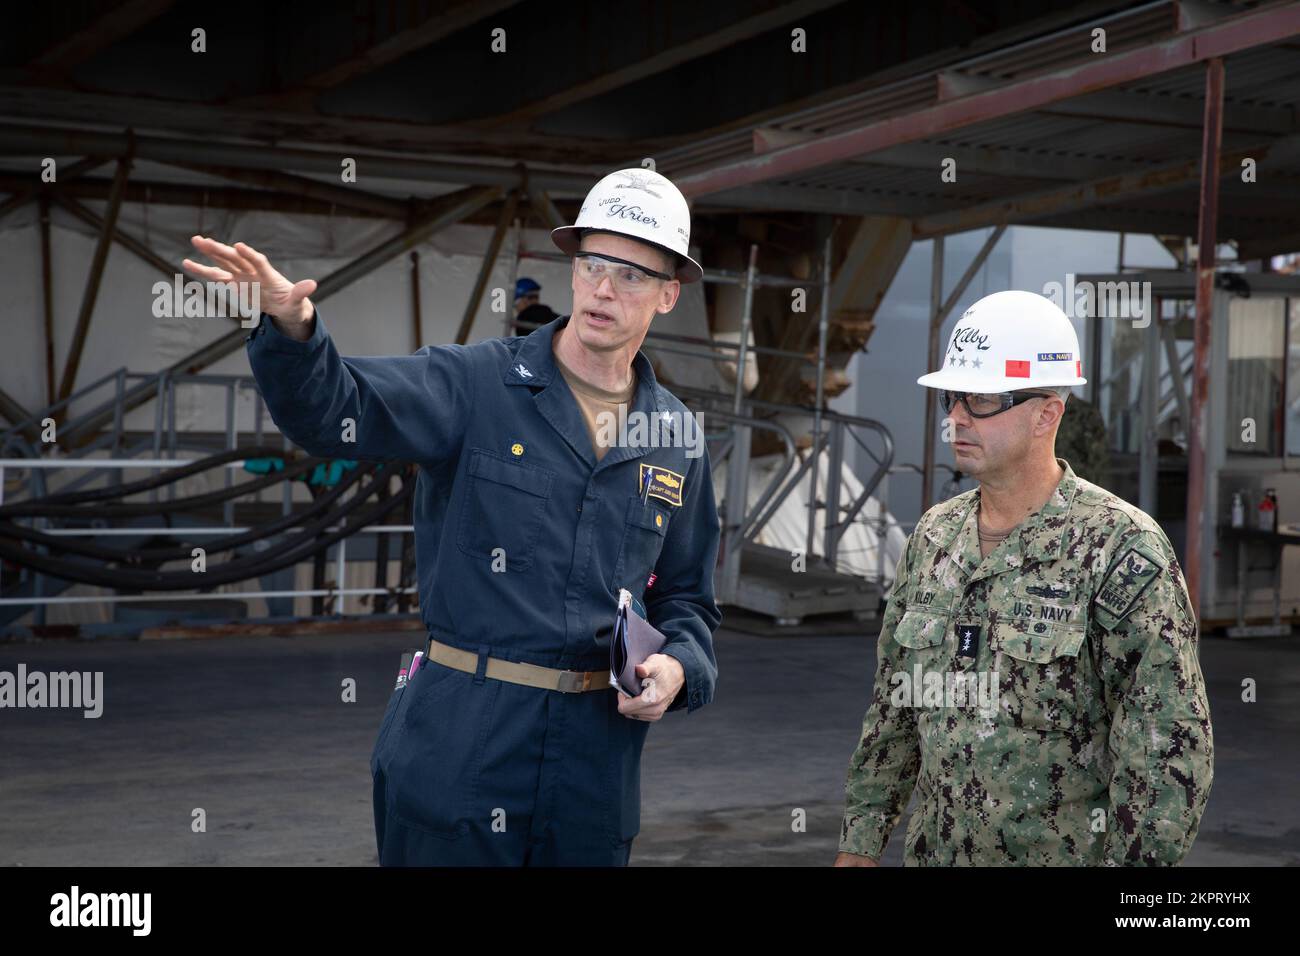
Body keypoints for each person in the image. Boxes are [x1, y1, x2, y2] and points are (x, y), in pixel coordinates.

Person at [182, 167, 720, 866]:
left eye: (632, 274)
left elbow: (687, 598)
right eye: (592, 263)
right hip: (463, 738)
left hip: (595, 761)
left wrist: (678, 667)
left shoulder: (676, 436)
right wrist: (294, 329)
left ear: (669, 294)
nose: (605, 288)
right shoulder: (473, 384)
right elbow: (339, 413)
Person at [834, 290, 1213, 866]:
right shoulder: (934, 537)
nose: (957, 416)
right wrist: (859, 849)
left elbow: (1166, 753)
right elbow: (893, 709)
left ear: (1046, 414)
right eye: (953, 398)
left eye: (982, 399)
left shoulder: (1121, 550)